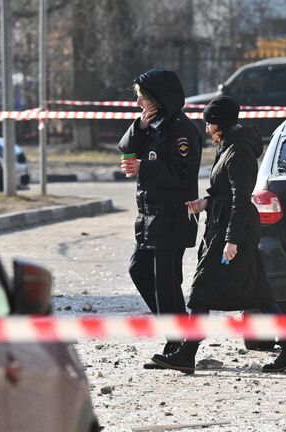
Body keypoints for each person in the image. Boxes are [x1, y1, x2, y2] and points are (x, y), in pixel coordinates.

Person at [151, 95, 286, 374]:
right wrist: (205, 203)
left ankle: (187, 353)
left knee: (201, 291)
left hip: (232, 230)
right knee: (260, 293)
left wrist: (231, 240)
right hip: (224, 225)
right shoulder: (227, 147)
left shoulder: (239, 153)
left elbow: (240, 198)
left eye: (210, 123)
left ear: (219, 124)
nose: (207, 129)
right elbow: (224, 193)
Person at [117, 67, 201, 368]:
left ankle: (179, 344)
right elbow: (125, 147)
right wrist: (139, 127)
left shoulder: (181, 129)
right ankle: (179, 332)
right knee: (139, 269)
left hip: (172, 215)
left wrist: (145, 168)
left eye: (143, 99)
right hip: (149, 216)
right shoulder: (153, 123)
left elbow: (183, 174)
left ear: (159, 98)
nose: (139, 104)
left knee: (166, 282)